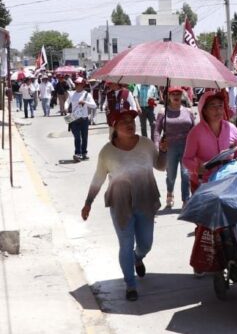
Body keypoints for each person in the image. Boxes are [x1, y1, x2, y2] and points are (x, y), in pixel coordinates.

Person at [81, 110, 166, 301]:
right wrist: (88, 202)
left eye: (132, 120)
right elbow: (98, 178)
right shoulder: (107, 152)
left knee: (146, 243)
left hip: (145, 199)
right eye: (124, 122)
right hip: (120, 204)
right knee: (125, 243)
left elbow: (160, 166)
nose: (130, 124)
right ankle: (130, 284)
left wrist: (165, 151)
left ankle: (138, 257)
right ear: (114, 127)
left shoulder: (145, 143)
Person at [183, 90, 237, 191]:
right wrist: (196, 168)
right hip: (203, 185)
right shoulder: (195, 133)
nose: (218, 110)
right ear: (204, 110)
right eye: (213, 106)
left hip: (227, 182)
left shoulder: (231, 128)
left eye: (220, 106)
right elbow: (187, 159)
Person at [155, 86, 195, 208]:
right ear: (168, 96)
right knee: (171, 175)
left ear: (182, 95)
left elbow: (194, 131)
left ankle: (185, 200)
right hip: (170, 147)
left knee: (185, 174)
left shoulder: (188, 111)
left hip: (186, 147)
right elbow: (157, 130)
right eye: (173, 94)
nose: (176, 96)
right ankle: (170, 193)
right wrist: (157, 145)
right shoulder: (163, 112)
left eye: (178, 94)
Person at [65, 78, 97, 162]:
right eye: (76, 84)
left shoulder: (87, 95)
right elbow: (67, 102)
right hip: (74, 118)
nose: (76, 86)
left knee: (84, 137)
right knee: (77, 137)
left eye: (78, 84)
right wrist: (65, 108)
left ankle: (84, 153)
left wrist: (85, 102)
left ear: (83, 85)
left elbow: (94, 105)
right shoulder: (72, 94)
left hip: (84, 119)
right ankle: (77, 153)